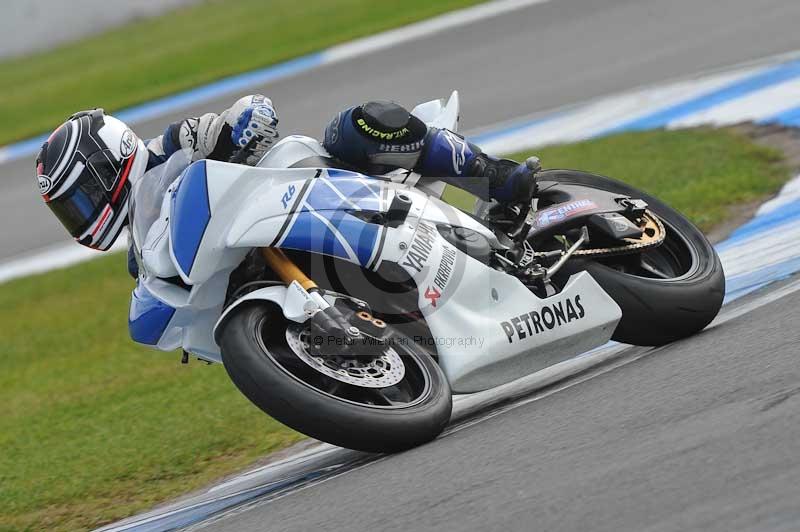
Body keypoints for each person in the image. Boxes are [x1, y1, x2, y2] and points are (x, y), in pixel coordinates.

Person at [35, 95, 537, 255]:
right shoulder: (145, 254)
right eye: (68, 211)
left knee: (354, 125)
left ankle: (498, 178)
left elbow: (247, 111)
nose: (80, 216)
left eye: (79, 199)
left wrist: (246, 124)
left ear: (107, 163)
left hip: (310, 182)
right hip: (265, 242)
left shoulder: (173, 145)